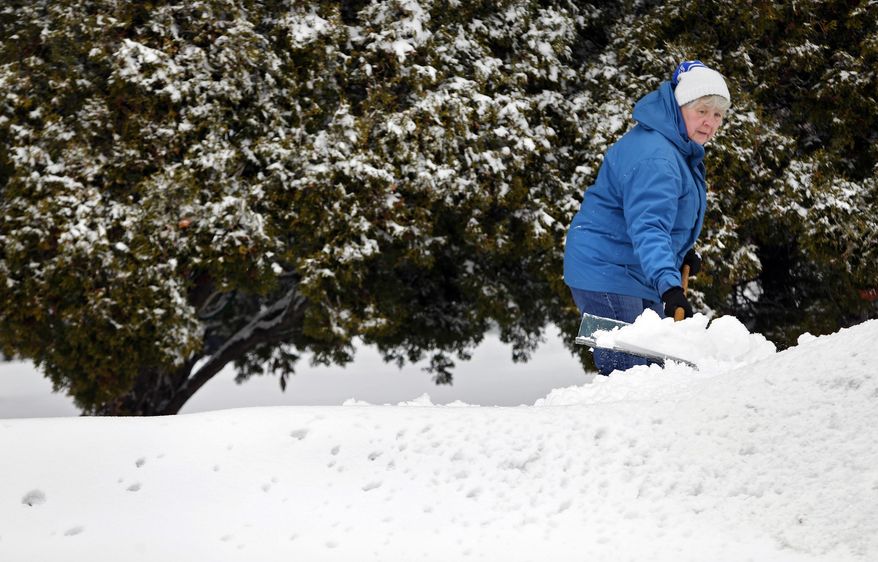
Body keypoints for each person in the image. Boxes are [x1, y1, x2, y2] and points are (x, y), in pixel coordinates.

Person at [563, 60, 731, 375]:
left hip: (631, 267)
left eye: (718, 114)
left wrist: (680, 252)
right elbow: (650, 227)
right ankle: (620, 422)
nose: (710, 122)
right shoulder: (659, 156)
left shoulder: (673, 147)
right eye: (702, 111)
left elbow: (658, 217)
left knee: (654, 366)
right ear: (680, 106)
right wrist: (670, 287)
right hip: (608, 271)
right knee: (632, 375)